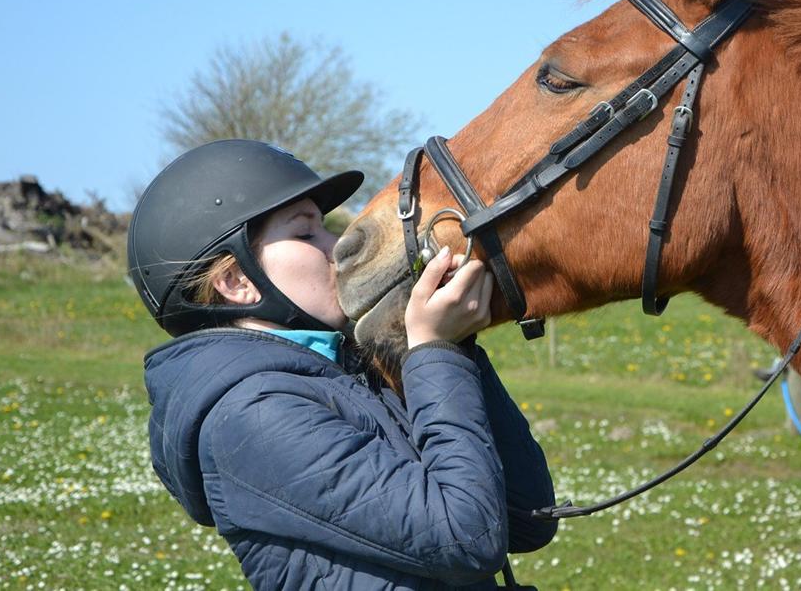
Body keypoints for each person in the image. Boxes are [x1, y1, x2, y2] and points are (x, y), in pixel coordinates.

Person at [129, 139, 556, 590]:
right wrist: (438, 351)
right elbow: (466, 537)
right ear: (236, 281)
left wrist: (454, 346)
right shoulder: (252, 416)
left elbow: (528, 519)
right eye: (305, 234)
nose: (334, 247)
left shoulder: (347, 373)